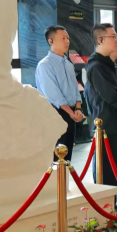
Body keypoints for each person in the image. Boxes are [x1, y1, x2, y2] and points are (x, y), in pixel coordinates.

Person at [85, 24, 117, 194]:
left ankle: (112, 202)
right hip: (105, 125)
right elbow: (111, 95)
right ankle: (105, 205)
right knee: (105, 170)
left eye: (116, 36)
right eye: (113, 37)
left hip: (116, 123)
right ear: (100, 40)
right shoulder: (96, 66)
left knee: (115, 167)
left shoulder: (109, 64)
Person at [35, 25, 84, 162]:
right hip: (56, 113)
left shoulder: (68, 64)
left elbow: (75, 89)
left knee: (68, 156)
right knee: (56, 157)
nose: (67, 41)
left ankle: (65, 177)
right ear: (51, 41)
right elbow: (54, 95)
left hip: (72, 114)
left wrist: (78, 108)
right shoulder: (45, 65)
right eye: (63, 38)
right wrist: (71, 112)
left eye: (68, 38)